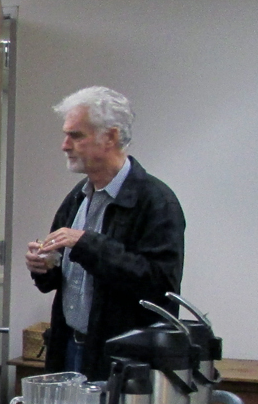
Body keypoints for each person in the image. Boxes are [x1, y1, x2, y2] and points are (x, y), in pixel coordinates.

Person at [25, 87, 185, 380]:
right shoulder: (78, 197)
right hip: (69, 347)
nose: (64, 145)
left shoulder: (156, 201)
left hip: (122, 361)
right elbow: (59, 281)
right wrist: (43, 266)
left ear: (110, 137)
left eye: (76, 136)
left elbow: (160, 284)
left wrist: (86, 244)